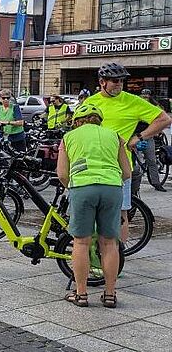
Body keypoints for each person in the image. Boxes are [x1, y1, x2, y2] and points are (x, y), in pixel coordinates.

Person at [83, 63, 171, 245]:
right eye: (115, 81)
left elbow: (164, 119)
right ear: (102, 82)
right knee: (91, 213)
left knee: (120, 213)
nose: (119, 85)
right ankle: (94, 252)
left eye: (122, 81)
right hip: (90, 165)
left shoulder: (132, 101)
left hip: (119, 168)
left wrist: (139, 137)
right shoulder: (90, 102)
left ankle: (118, 255)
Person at [56, 103, 130, 308]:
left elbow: (62, 174)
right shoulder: (115, 136)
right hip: (112, 188)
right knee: (109, 243)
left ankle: (81, 294)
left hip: (83, 188)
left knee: (81, 243)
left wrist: (74, 186)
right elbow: (126, 172)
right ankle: (110, 294)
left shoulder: (69, 137)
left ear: (77, 121)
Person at [136, 88, 165, 192]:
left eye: (147, 96)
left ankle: (156, 183)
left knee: (151, 160)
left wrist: (159, 130)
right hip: (135, 137)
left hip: (148, 136)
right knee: (136, 163)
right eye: (143, 96)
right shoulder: (136, 105)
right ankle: (135, 186)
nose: (145, 97)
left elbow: (161, 119)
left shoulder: (154, 106)